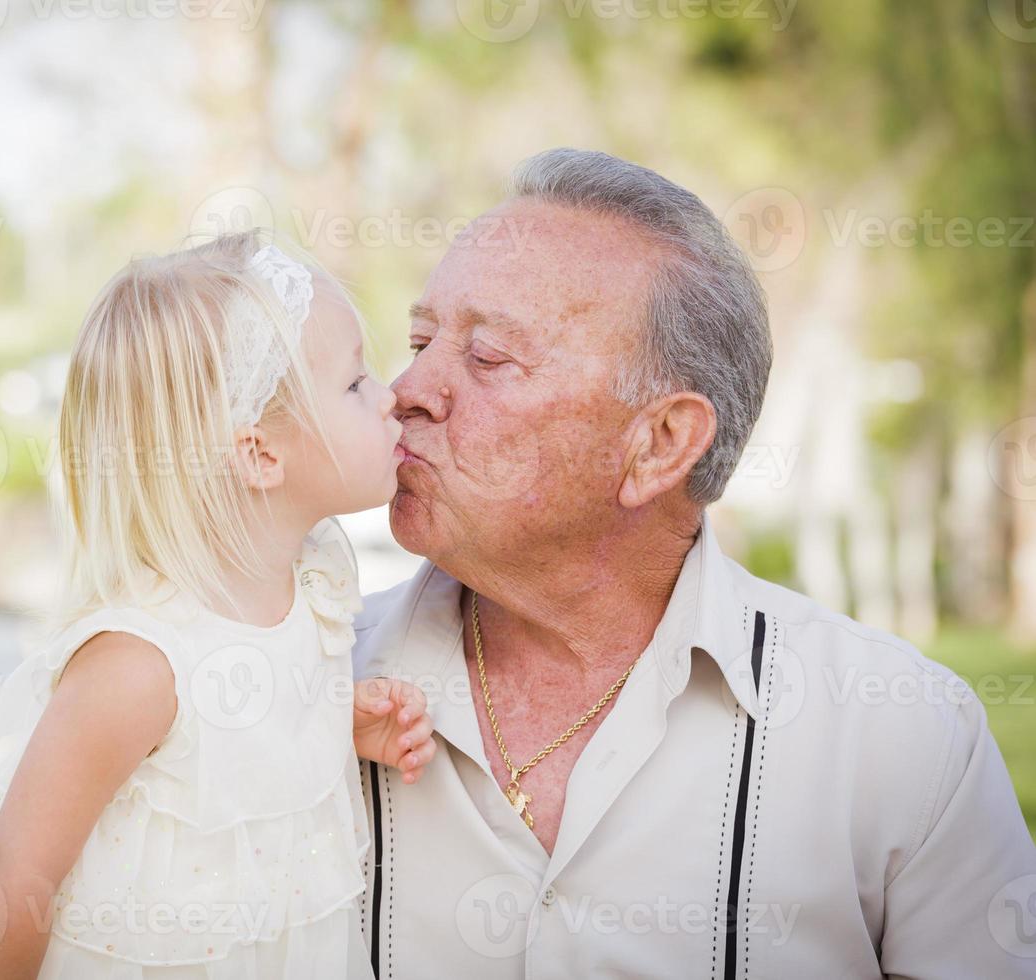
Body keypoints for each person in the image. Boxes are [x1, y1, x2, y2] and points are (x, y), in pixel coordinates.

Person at [353, 147, 1036, 978]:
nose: (406, 388)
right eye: (420, 339)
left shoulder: (905, 738)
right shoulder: (309, 683)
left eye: (488, 357)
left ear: (661, 445)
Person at [0, 231, 435, 979]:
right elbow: (17, 876)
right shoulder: (138, 664)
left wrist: (329, 727)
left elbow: (232, 750)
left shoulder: (312, 588)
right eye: (357, 384)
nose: (393, 399)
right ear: (259, 454)